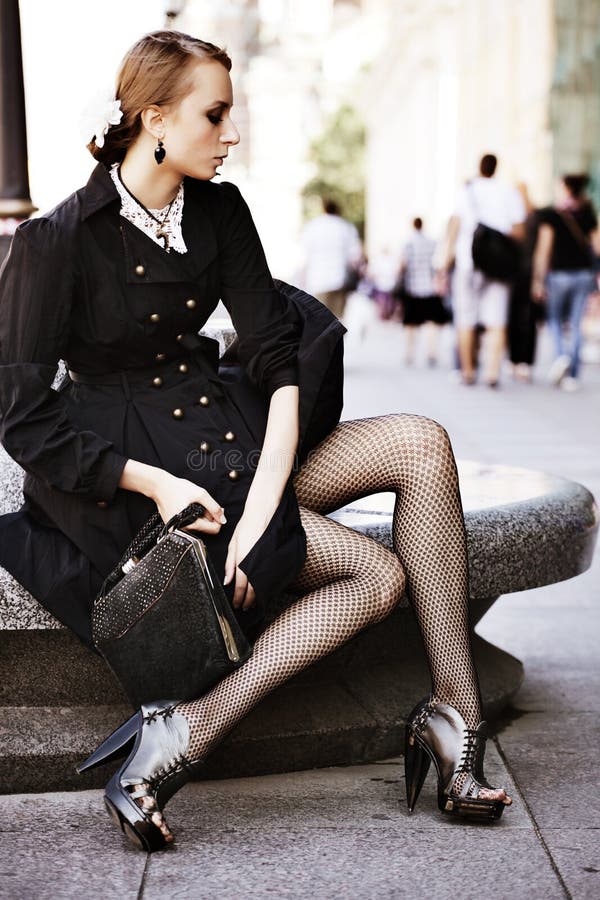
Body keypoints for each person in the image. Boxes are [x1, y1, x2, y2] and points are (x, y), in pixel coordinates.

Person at [0, 31, 510, 852]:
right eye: (216, 114)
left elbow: (277, 360)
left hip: (231, 443)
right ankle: (184, 736)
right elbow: (24, 418)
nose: (231, 133)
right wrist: (161, 489)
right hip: (137, 478)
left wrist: (262, 514)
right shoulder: (56, 240)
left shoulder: (219, 209)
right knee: (376, 576)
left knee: (421, 441)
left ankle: (454, 715)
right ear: (154, 116)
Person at [442, 154, 526, 387]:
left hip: (468, 263)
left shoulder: (466, 191)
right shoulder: (509, 192)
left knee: (465, 318)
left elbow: (454, 228)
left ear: (479, 168)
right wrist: (498, 240)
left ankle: (468, 371)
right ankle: (492, 373)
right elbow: (519, 231)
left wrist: (444, 264)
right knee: (497, 320)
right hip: (498, 266)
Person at [531, 174, 600, 391]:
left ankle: (562, 357)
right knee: (577, 323)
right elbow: (597, 245)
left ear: (565, 188)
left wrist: (538, 280)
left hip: (559, 274)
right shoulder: (587, 212)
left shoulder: (553, 214)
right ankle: (574, 375)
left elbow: (544, 249)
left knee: (554, 319)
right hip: (583, 274)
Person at [398, 217, 449, 366]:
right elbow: (438, 264)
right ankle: (431, 352)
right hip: (430, 288)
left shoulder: (407, 243)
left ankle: (409, 352)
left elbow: (402, 265)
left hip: (412, 289)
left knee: (410, 324)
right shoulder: (432, 242)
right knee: (431, 322)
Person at [299, 198, 362, 319]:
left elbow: (304, 253)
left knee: (319, 319)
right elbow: (355, 256)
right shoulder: (346, 227)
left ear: (323, 209)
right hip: (340, 278)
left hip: (317, 279)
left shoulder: (313, 226)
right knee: (337, 319)